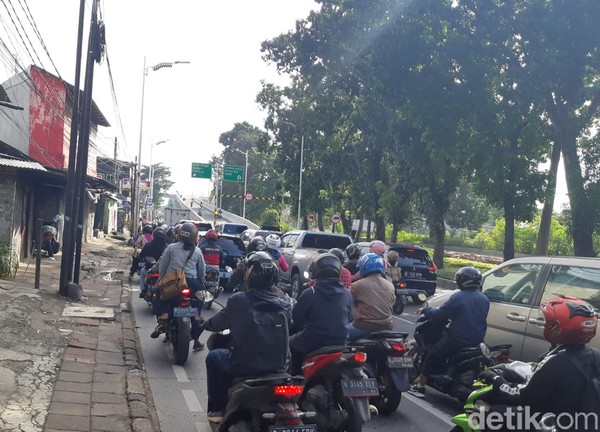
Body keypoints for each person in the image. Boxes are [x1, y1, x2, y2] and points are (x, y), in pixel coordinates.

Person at [479, 296, 599, 432]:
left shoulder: (558, 360)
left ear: (559, 327)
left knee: (495, 413)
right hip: (582, 422)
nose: (546, 324)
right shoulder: (595, 355)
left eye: (550, 322)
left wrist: (495, 378)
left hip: (555, 423)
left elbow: (519, 397)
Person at [203, 251, 292, 423]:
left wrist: (205, 324)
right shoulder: (285, 300)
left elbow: (219, 323)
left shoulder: (239, 300)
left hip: (245, 365)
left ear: (248, 274)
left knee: (214, 357)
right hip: (279, 367)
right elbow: (292, 324)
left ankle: (219, 409)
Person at [409, 266, 490, 397]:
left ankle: (420, 386)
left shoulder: (458, 297)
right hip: (477, 340)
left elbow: (440, 314)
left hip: (457, 338)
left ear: (461, 281)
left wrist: (426, 310)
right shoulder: (484, 298)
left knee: (432, 355)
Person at [289, 253, 353, 375]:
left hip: (314, 340)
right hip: (341, 340)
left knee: (289, 344)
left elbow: (295, 320)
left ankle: (296, 380)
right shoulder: (347, 293)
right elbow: (349, 317)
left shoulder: (310, 292)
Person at [153, 222, 207, 351]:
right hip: (192, 283)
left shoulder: (171, 248)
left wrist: (161, 279)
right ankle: (197, 314)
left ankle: (164, 314)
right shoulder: (198, 251)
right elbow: (201, 271)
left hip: (173, 282)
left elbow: (163, 266)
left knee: (158, 293)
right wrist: (202, 283)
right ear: (194, 237)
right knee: (201, 295)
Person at [347, 253, 395, 341]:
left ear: (364, 267)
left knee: (337, 336)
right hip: (386, 326)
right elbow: (392, 303)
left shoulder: (358, 285)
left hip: (362, 326)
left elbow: (345, 300)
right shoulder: (390, 285)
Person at [138, 226, 169, 298]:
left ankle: (143, 290)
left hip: (150, 269)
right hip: (163, 271)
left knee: (142, 272)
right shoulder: (167, 247)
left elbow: (141, 255)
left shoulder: (148, 245)